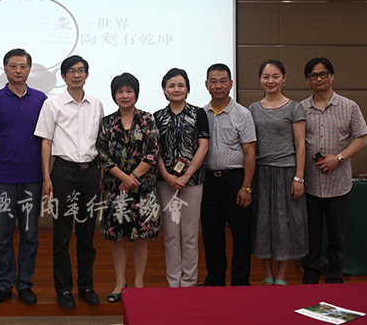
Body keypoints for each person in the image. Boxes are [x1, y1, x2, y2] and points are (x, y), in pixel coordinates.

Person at [0, 49, 47, 306]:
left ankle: (25, 284)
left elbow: (46, 137)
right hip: (2, 178)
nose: (18, 70)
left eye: (23, 66)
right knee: (3, 236)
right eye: (13, 66)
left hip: (32, 178)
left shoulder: (41, 99)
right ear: (5, 69)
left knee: (30, 234)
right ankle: (4, 285)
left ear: (29, 69)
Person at [34, 55, 104, 308]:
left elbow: (101, 143)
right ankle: (63, 289)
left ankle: (86, 287)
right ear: (63, 76)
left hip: (91, 172)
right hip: (63, 172)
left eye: (81, 70)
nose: (76, 75)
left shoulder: (96, 104)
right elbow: (46, 141)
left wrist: (101, 175)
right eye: (71, 71)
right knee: (62, 236)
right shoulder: (52, 104)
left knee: (86, 236)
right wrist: (46, 177)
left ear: (87, 75)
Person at [301, 57, 367, 284]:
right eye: (313, 75)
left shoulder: (349, 106)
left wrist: (338, 158)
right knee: (310, 236)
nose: (318, 79)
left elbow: (362, 139)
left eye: (323, 74)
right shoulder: (301, 108)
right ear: (307, 80)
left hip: (338, 183)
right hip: (310, 184)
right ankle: (310, 278)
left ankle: (334, 278)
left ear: (332, 76)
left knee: (337, 237)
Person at [97, 73, 160, 303]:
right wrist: (124, 178)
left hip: (143, 187)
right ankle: (119, 282)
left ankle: (139, 282)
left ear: (136, 93)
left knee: (141, 235)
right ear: (114, 95)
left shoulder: (147, 119)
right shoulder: (107, 122)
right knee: (118, 236)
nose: (125, 95)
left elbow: (152, 152)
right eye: (120, 91)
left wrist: (132, 177)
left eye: (129, 91)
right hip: (115, 188)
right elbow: (103, 155)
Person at [248, 59, 307, 286]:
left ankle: (281, 275)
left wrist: (299, 177)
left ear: (284, 78)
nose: (270, 81)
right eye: (266, 76)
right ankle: (268, 274)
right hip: (261, 173)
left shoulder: (294, 108)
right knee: (263, 223)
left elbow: (300, 144)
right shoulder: (253, 108)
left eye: (275, 76)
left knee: (285, 223)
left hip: (287, 172)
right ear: (260, 80)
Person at [200, 63, 256, 287]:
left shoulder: (243, 114)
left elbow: (250, 152)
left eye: (223, 81)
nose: (218, 85)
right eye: (213, 81)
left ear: (231, 84)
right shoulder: (201, 114)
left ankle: (240, 281)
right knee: (212, 233)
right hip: (209, 181)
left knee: (241, 234)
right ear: (206, 85)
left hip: (236, 180)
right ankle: (215, 278)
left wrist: (246, 187)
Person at [154, 68, 209, 288]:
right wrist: (166, 176)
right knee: (171, 234)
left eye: (181, 85)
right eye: (171, 85)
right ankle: (173, 281)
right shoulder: (157, 117)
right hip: (166, 183)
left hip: (193, 182)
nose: (176, 89)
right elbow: (155, 151)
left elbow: (203, 147)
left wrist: (186, 176)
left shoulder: (199, 114)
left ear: (187, 88)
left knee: (189, 234)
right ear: (164, 89)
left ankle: (188, 282)